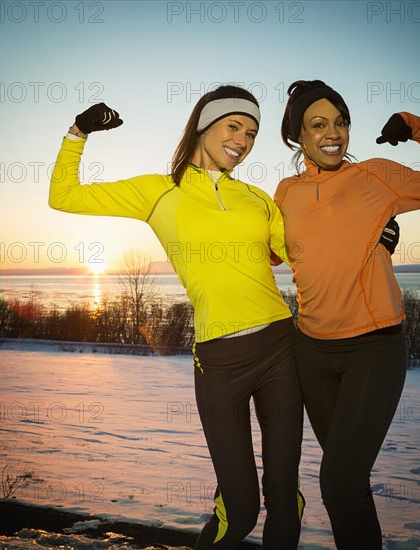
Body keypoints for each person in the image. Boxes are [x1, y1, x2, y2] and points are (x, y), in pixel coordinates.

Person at [48, 86, 305, 549]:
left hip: (280, 348)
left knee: (286, 495)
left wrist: (371, 238)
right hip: (220, 360)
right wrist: (78, 133)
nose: (243, 140)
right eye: (234, 126)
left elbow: (306, 258)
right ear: (204, 124)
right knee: (241, 510)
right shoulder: (158, 191)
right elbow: (64, 197)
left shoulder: (257, 198)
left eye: (252, 133)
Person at [275, 79, 420, 550]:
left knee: (338, 483)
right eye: (318, 124)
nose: (334, 133)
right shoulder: (285, 192)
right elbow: (268, 253)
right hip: (310, 351)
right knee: (347, 480)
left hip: (373, 348)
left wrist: (419, 128)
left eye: (341, 122)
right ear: (298, 136)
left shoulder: (376, 175)